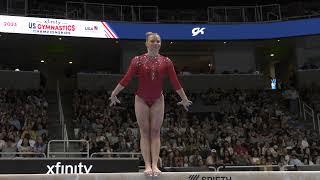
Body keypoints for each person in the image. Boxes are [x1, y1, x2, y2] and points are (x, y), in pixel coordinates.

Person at [109, 32, 192, 176]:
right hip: (141, 99)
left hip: (158, 99)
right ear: (146, 43)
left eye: (158, 41)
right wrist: (114, 93)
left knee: (155, 132)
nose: (156, 43)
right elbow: (127, 78)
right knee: (144, 132)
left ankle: (155, 165)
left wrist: (184, 98)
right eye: (153, 41)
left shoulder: (166, 61)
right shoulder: (137, 60)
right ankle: (147, 165)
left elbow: (175, 81)